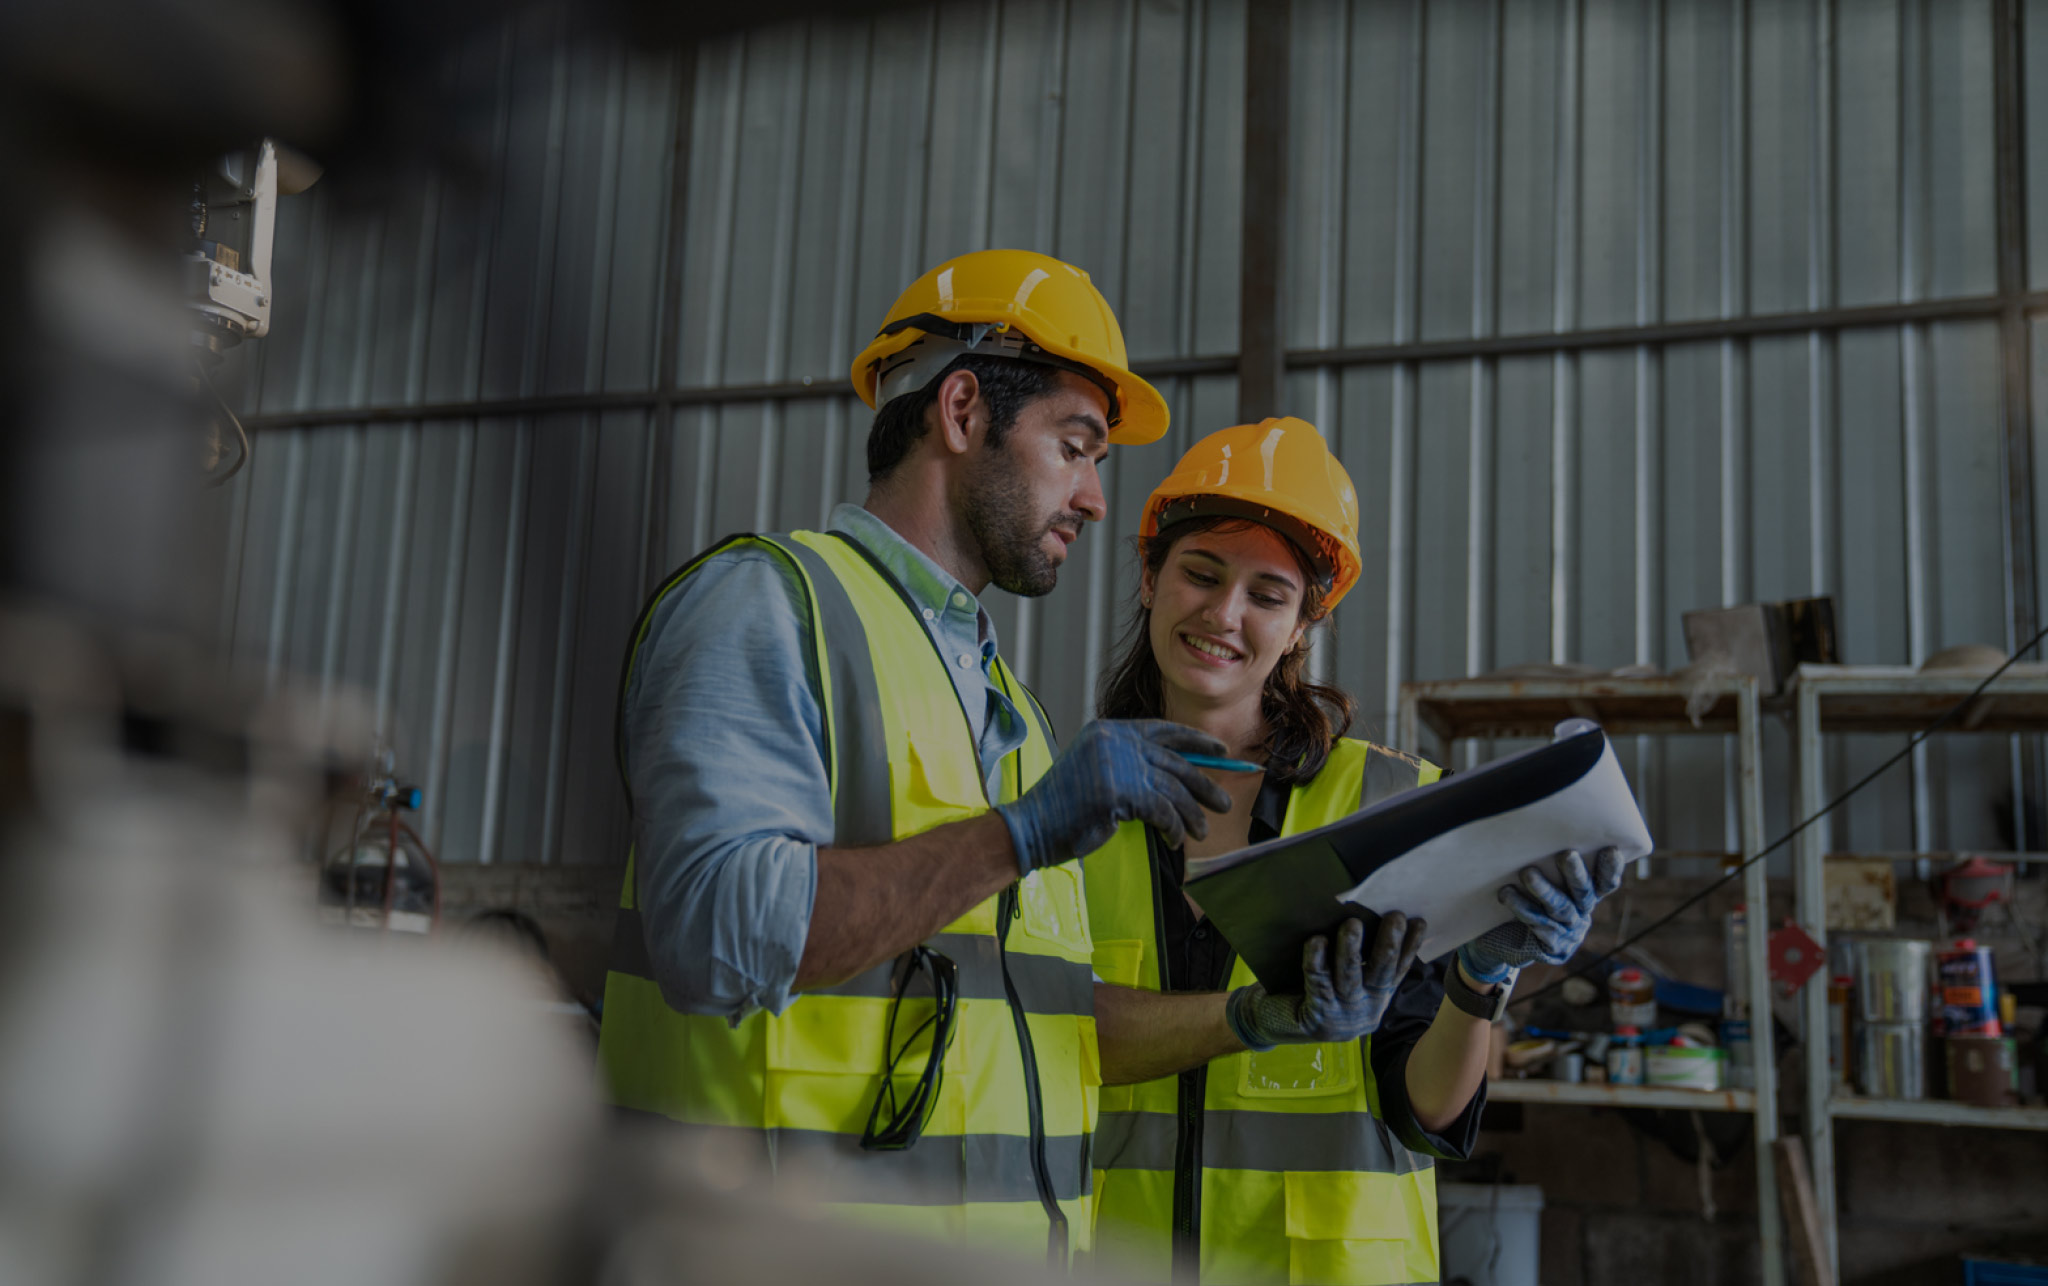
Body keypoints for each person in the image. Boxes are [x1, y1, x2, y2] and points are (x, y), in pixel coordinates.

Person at [593, 252, 1410, 1270]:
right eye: (1075, 447)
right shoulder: (767, 604)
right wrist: (1015, 836)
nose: (1095, 498)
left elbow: (1052, 1026)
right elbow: (717, 930)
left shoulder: (1011, 710)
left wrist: (1254, 1015)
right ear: (964, 409)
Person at [1082, 416, 1624, 1285]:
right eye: (1201, 573)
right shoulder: (1069, 804)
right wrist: (1253, 1020)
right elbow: (1039, 1037)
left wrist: (1480, 977)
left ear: (1302, 625)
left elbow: (1426, 1111)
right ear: (1150, 578)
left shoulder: (1389, 804)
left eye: (1267, 594)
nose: (1224, 614)